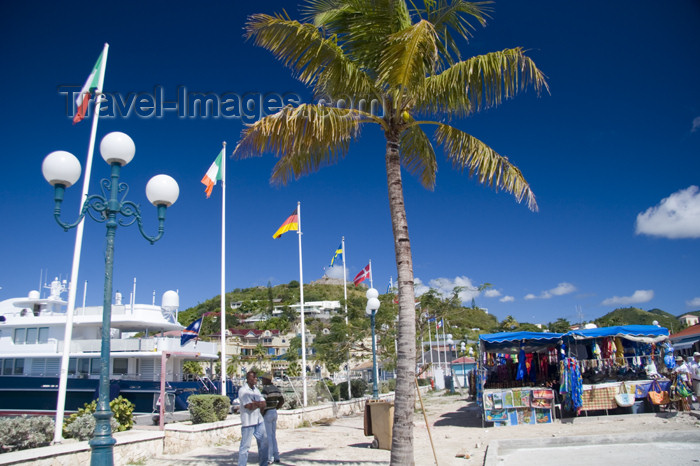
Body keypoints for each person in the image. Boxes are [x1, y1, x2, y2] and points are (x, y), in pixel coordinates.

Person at [238, 370, 268, 466]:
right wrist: (257, 404)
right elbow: (249, 406)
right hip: (248, 423)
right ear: (248, 379)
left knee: (264, 444)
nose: (255, 379)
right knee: (245, 447)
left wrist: (255, 403)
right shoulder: (243, 391)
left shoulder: (256, 390)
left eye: (256, 377)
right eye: (253, 377)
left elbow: (264, 403)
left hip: (259, 421)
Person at [261, 373, 284, 464]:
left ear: (267, 380)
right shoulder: (276, 389)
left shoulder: (265, 390)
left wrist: (262, 412)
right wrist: (276, 407)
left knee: (268, 436)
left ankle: (269, 457)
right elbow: (282, 400)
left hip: (268, 413)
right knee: (273, 435)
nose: (262, 381)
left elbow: (262, 403)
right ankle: (276, 455)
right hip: (274, 412)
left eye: (263, 379)